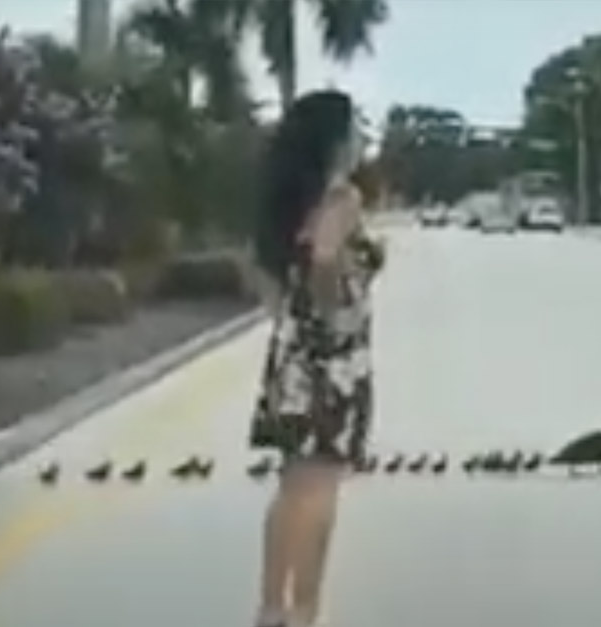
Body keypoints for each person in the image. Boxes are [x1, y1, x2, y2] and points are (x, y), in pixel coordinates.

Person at [250, 89, 380, 627]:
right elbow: (326, 258)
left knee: (291, 490)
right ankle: (304, 613)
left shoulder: (289, 202)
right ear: (334, 140)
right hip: (333, 360)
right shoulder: (340, 198)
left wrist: (295, 315)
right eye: (354, 130)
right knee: (321, 491)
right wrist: (332, 310)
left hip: (293, 356)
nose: (360, 140)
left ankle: (271, 609)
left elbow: (264, 276)